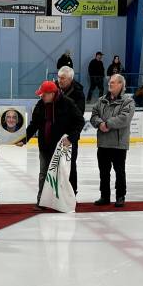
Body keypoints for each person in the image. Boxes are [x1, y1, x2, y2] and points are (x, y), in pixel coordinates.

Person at [19, 80, 84, 210]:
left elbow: (80, 121)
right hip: (44, 146)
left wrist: (71, 138)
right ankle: (42, 202)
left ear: (52, 93)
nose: (41, 96)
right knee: (44, 173)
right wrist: (23, 139)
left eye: (43, 94)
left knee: (61, 175)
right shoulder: (40, 104)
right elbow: (34, 125)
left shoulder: (67, 103)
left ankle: (62, 202)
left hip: (61, 148)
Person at [89, 74, 135, 208]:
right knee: (103, 172)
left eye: (113, 82)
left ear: (121, 85)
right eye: (110, 82)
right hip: (103, 143)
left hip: (118, 144)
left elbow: (124, 119)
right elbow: (94, 115)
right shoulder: (101, 100)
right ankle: (105, 196)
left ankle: (120, 196)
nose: (110, 84)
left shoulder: (128, 101)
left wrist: (107, 124)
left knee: (119, 171)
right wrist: (99, 124)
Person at [56, 66, 85, 195]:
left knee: (70, 165)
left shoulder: (78, 93)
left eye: (62, 78)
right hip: (56, 135)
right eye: (58, 77)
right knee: (56, 165)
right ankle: (57, 193)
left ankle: (72, 193)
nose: (59, 80)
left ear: (70, 79)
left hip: (70, 137)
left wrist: (71, 137)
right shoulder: (55, 90)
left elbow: (79, 116)